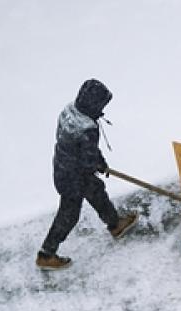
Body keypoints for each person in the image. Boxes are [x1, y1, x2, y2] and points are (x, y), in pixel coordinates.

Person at [36, 79, 137, 270]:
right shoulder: (87, 128)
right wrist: (99, 164)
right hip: (73, 177)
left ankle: (115, 224)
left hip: (63, 166)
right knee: (69, 215)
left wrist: (97, 163)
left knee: (97, 192)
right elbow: (88, 158)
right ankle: (46, 254)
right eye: (101, 105)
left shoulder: (69, 110)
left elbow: (81, 151)